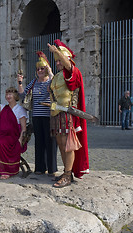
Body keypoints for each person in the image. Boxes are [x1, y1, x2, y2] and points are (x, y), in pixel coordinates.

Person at [47, 40, 89, 188]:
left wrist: (56, 51)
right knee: (60, 143)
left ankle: (67, 175)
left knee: (68, 145)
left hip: (67, 114)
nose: (58, 62)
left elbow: (68, 65)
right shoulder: (58, 75)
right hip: (57, 113)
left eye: (60, 60)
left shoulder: (72, 71)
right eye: (56, 61)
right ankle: (67, 172)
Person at [17, 51, 57, 176]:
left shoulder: (50, 81)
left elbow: (56, 86)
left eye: (42, 69)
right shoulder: (34, 82)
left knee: (50, 142)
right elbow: (22, 95)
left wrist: (50, 72)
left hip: (49, 116)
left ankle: (52, 169)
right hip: (37, 116)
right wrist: (20, 83)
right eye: (38, 69)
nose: (40, 71)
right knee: (39, 142)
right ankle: (40, 168)